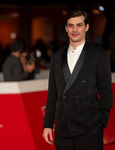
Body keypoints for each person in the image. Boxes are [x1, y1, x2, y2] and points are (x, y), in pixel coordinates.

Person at [42, 10, 113, 150]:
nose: (75, 30)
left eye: (79, 25)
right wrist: (48, 125)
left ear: (86, 27)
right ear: (66, 28)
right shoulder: (57, 56)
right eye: (71, 25)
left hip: (89, 128)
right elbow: (53, 94)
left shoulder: (99, 55)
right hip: (63, 128)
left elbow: (106, 94)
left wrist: (100, 121)